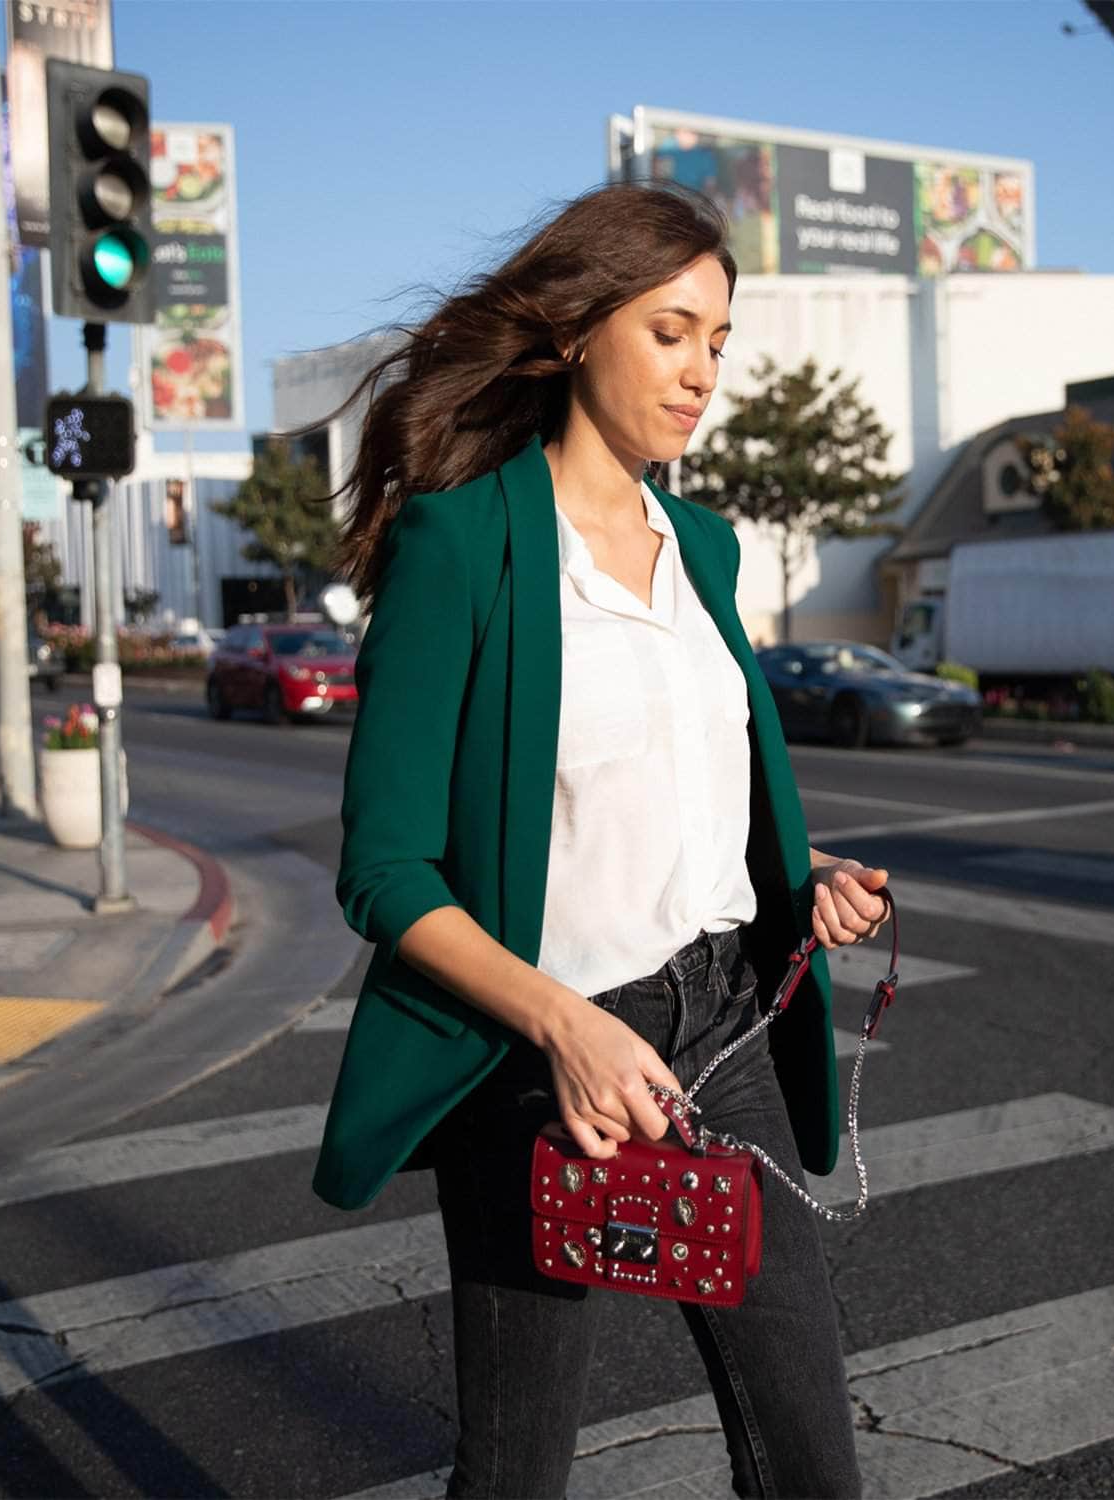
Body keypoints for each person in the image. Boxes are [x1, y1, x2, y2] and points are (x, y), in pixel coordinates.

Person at [309, 179, 893, 1499]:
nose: (702, 373)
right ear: (577, 332)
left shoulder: (706, 549)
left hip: (726, 1027)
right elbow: (386, 869)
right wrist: (567, 1029)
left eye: (720, 343)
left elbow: (699, 800)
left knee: (811, 1449)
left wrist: (804, 887)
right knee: (518, 1470)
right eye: (671, 331)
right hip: (540, 1047)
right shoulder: (464, 547)